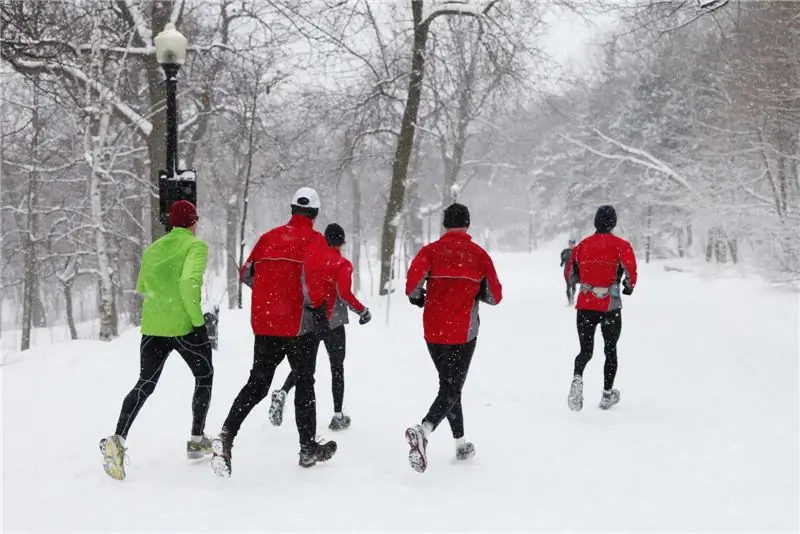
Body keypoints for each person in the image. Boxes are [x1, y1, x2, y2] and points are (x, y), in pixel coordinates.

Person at [210, 187, 336, 477]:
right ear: (314, 214)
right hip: (298, 327)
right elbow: (314, 286)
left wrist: (271, 294)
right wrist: (315, 308)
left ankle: (227, 435)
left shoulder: (268, 238)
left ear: (292, 209)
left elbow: (246, 274)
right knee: (305, 383)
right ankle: (307, 449)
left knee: (257, 383)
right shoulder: (315, 241)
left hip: (266, 324)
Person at [99, 200, 213, 481]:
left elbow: (143, 287)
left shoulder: (153, 250)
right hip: (184, 326)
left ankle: (118, 438)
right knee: (204, 375)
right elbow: (189, 284)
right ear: (193, 222)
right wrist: (198, 323)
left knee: (145, 384)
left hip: (153, 327)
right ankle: (197, 438)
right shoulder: (195, 247)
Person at [403, 203, 503, 474]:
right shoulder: (479, 256)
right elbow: (495, 296)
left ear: (444, 224)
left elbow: (412, 285)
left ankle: (460, 443)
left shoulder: (430, 251)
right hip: (463, 333)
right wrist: (475, 290)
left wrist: (419, 296)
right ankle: (423, 430)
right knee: (452, 388)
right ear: (467, 225)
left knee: (449, 387)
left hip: (434, 331)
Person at [269, 223, 371, 432]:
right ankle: (338, 415)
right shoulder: (342, 264)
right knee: (337, 368)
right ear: (341, 241)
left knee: (304, 367)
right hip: (333, 322)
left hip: (312, 319)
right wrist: (362, 311)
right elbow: (344, 293)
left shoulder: (311, 259)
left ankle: (283, 392)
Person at [563, 205, 637, 412]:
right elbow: (630, 270)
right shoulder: (621, 245)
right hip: (610, 305)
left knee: (585, 351)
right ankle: (607, 394)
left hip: (586, 305)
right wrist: (628, 287)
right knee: (610, 350)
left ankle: (577, 378)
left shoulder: (582, 246)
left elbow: (569, 273)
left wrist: (581, 280)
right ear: (613, 222)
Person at [560, 239, 577, 305]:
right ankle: (569, 300)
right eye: (570, 244)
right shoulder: (565, 251)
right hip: (567, 270)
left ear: (574, 244)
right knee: (568, 285)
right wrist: (562, 262)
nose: (571, 245)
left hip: (574, 271)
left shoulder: (577, 250)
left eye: (572, 244)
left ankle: (572, 297)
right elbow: (562, 258)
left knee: (573, 285)